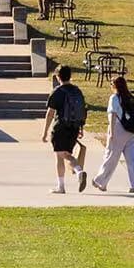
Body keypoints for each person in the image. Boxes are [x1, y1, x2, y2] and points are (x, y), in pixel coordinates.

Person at [92, 75, 134, 194]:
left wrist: (111, 132)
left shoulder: (114, 98)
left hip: (118, 129)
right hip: (132, 131)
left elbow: (112, 115)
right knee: (132, 159)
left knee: (111, 156)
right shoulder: (130, 97)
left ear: (114, 86)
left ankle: (100, 181)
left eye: (111, 84)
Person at [42, 65, 89, 194]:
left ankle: (72, 177)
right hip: (73, 128)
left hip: (61, 127)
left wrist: (45, 132)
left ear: (58, 77)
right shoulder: (77, 91)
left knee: (61, 155)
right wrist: (80, 128)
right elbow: (82, 111)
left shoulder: (58, 92)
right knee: (66, 154)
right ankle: (71, 177)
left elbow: (50, 113)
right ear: (70, 76)